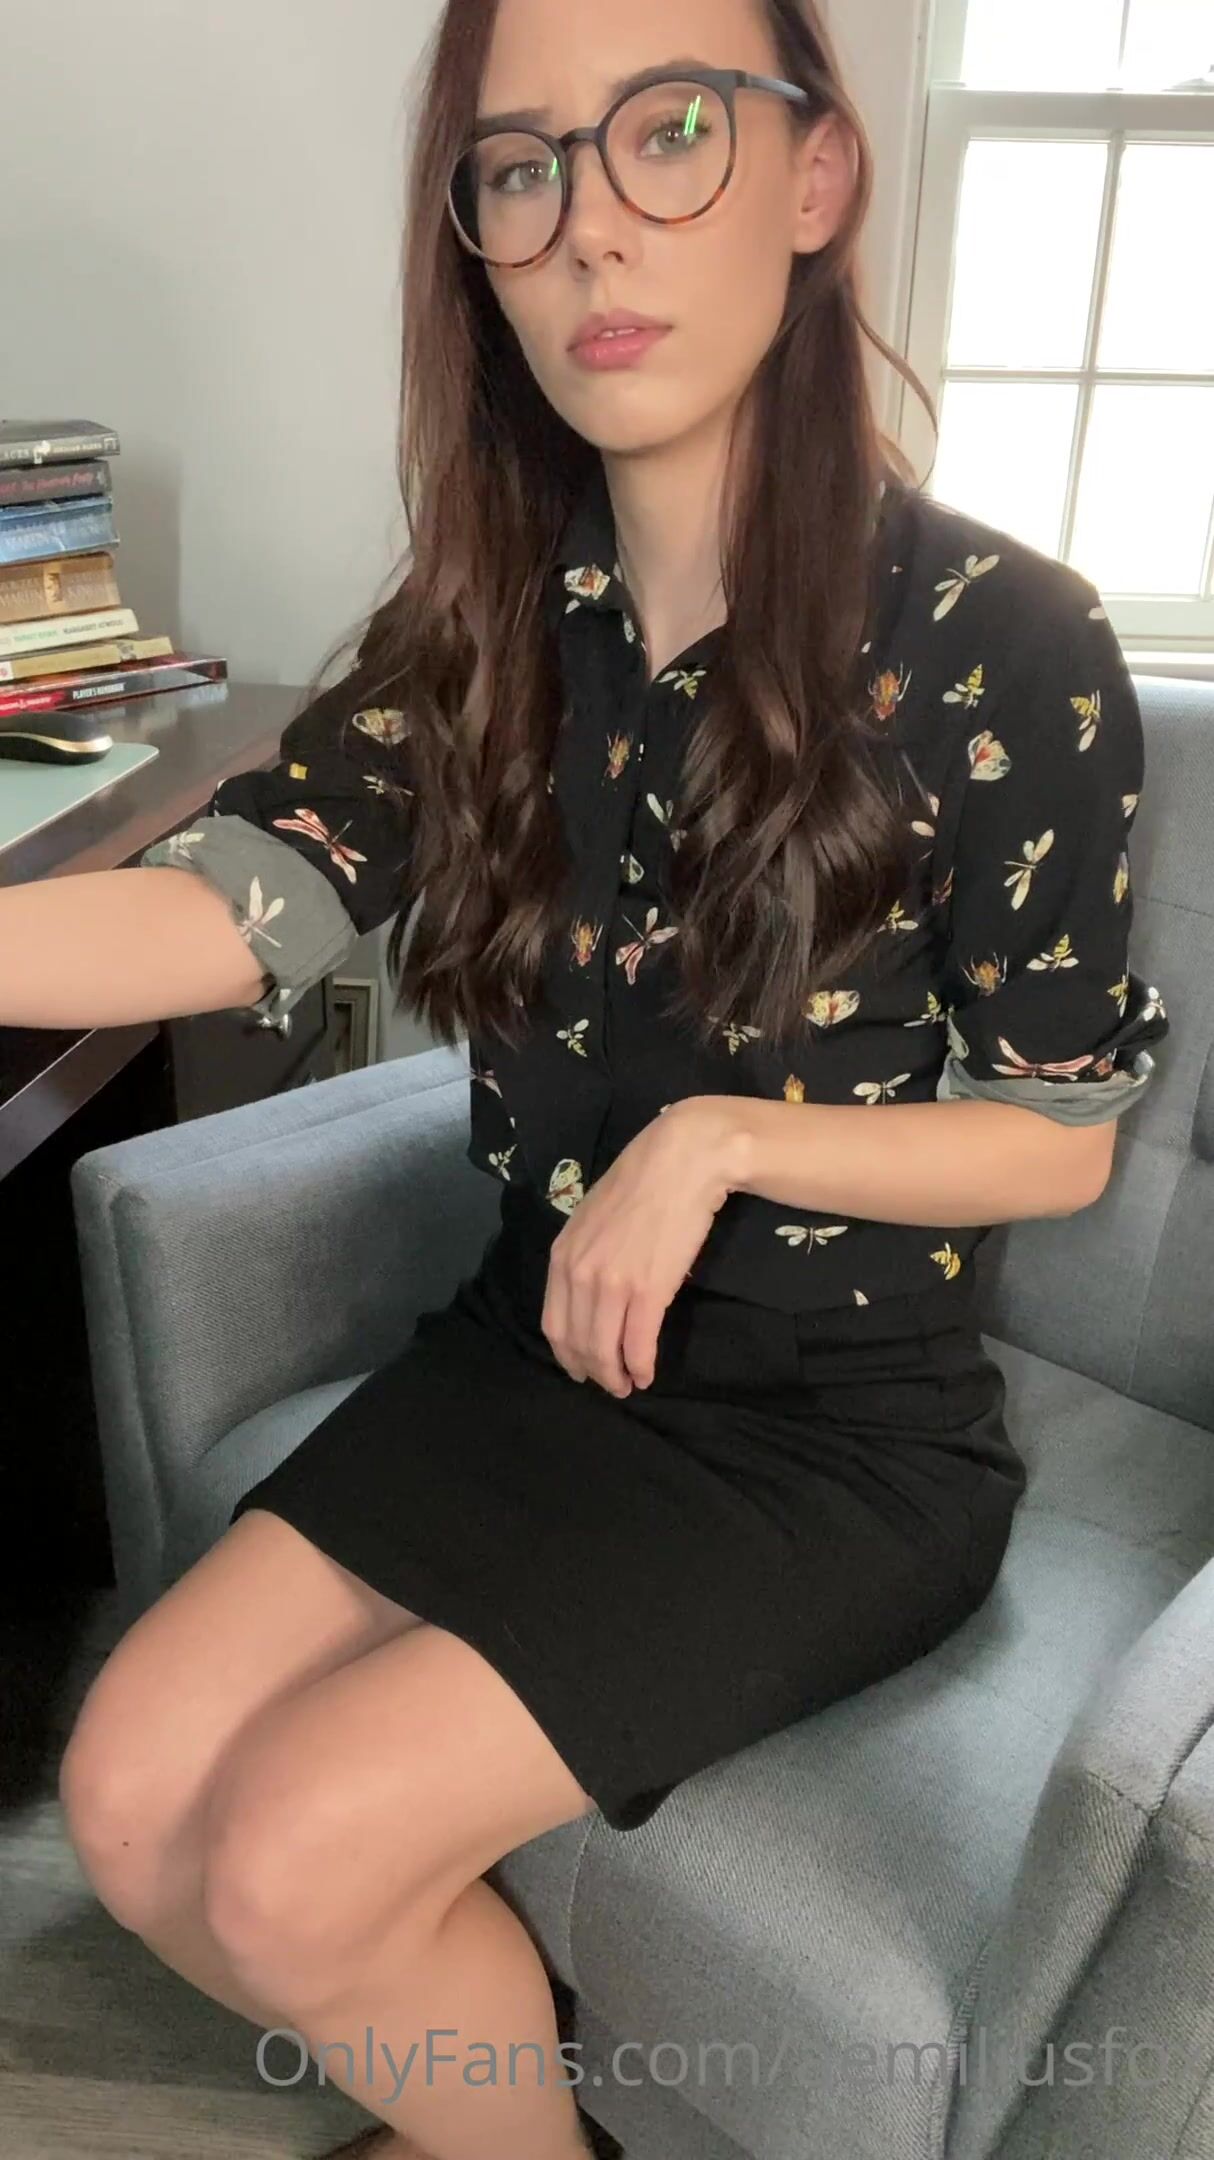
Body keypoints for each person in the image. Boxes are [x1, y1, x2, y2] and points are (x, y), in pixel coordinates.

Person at [4, 2, 1168, 2157]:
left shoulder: (1009, 642)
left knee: (289, 1861)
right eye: (523, 166)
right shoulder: (487, 622)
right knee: (132, 1798)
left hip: (828, 1440)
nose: (589, 230)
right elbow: (228, 913)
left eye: (670, 132)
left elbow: (1055, 1143)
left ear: (815, 177)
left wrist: (713, 1140)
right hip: (531, 1357)